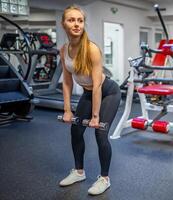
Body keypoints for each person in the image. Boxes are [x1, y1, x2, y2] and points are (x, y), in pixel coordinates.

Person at [58, 5, 121, 196]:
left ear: (83, 24)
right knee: (76, 130)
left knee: (100, 133)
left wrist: (95, 116)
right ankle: (79, 172)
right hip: (88, 92)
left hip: (108, 92)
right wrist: (67, 110)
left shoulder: (92, 49)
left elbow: (97, 86)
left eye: (80, 20)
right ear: (64, 24)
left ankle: (104, 179)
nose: (76, 24)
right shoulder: (64, 50)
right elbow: (67, 83)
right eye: (71, 20)